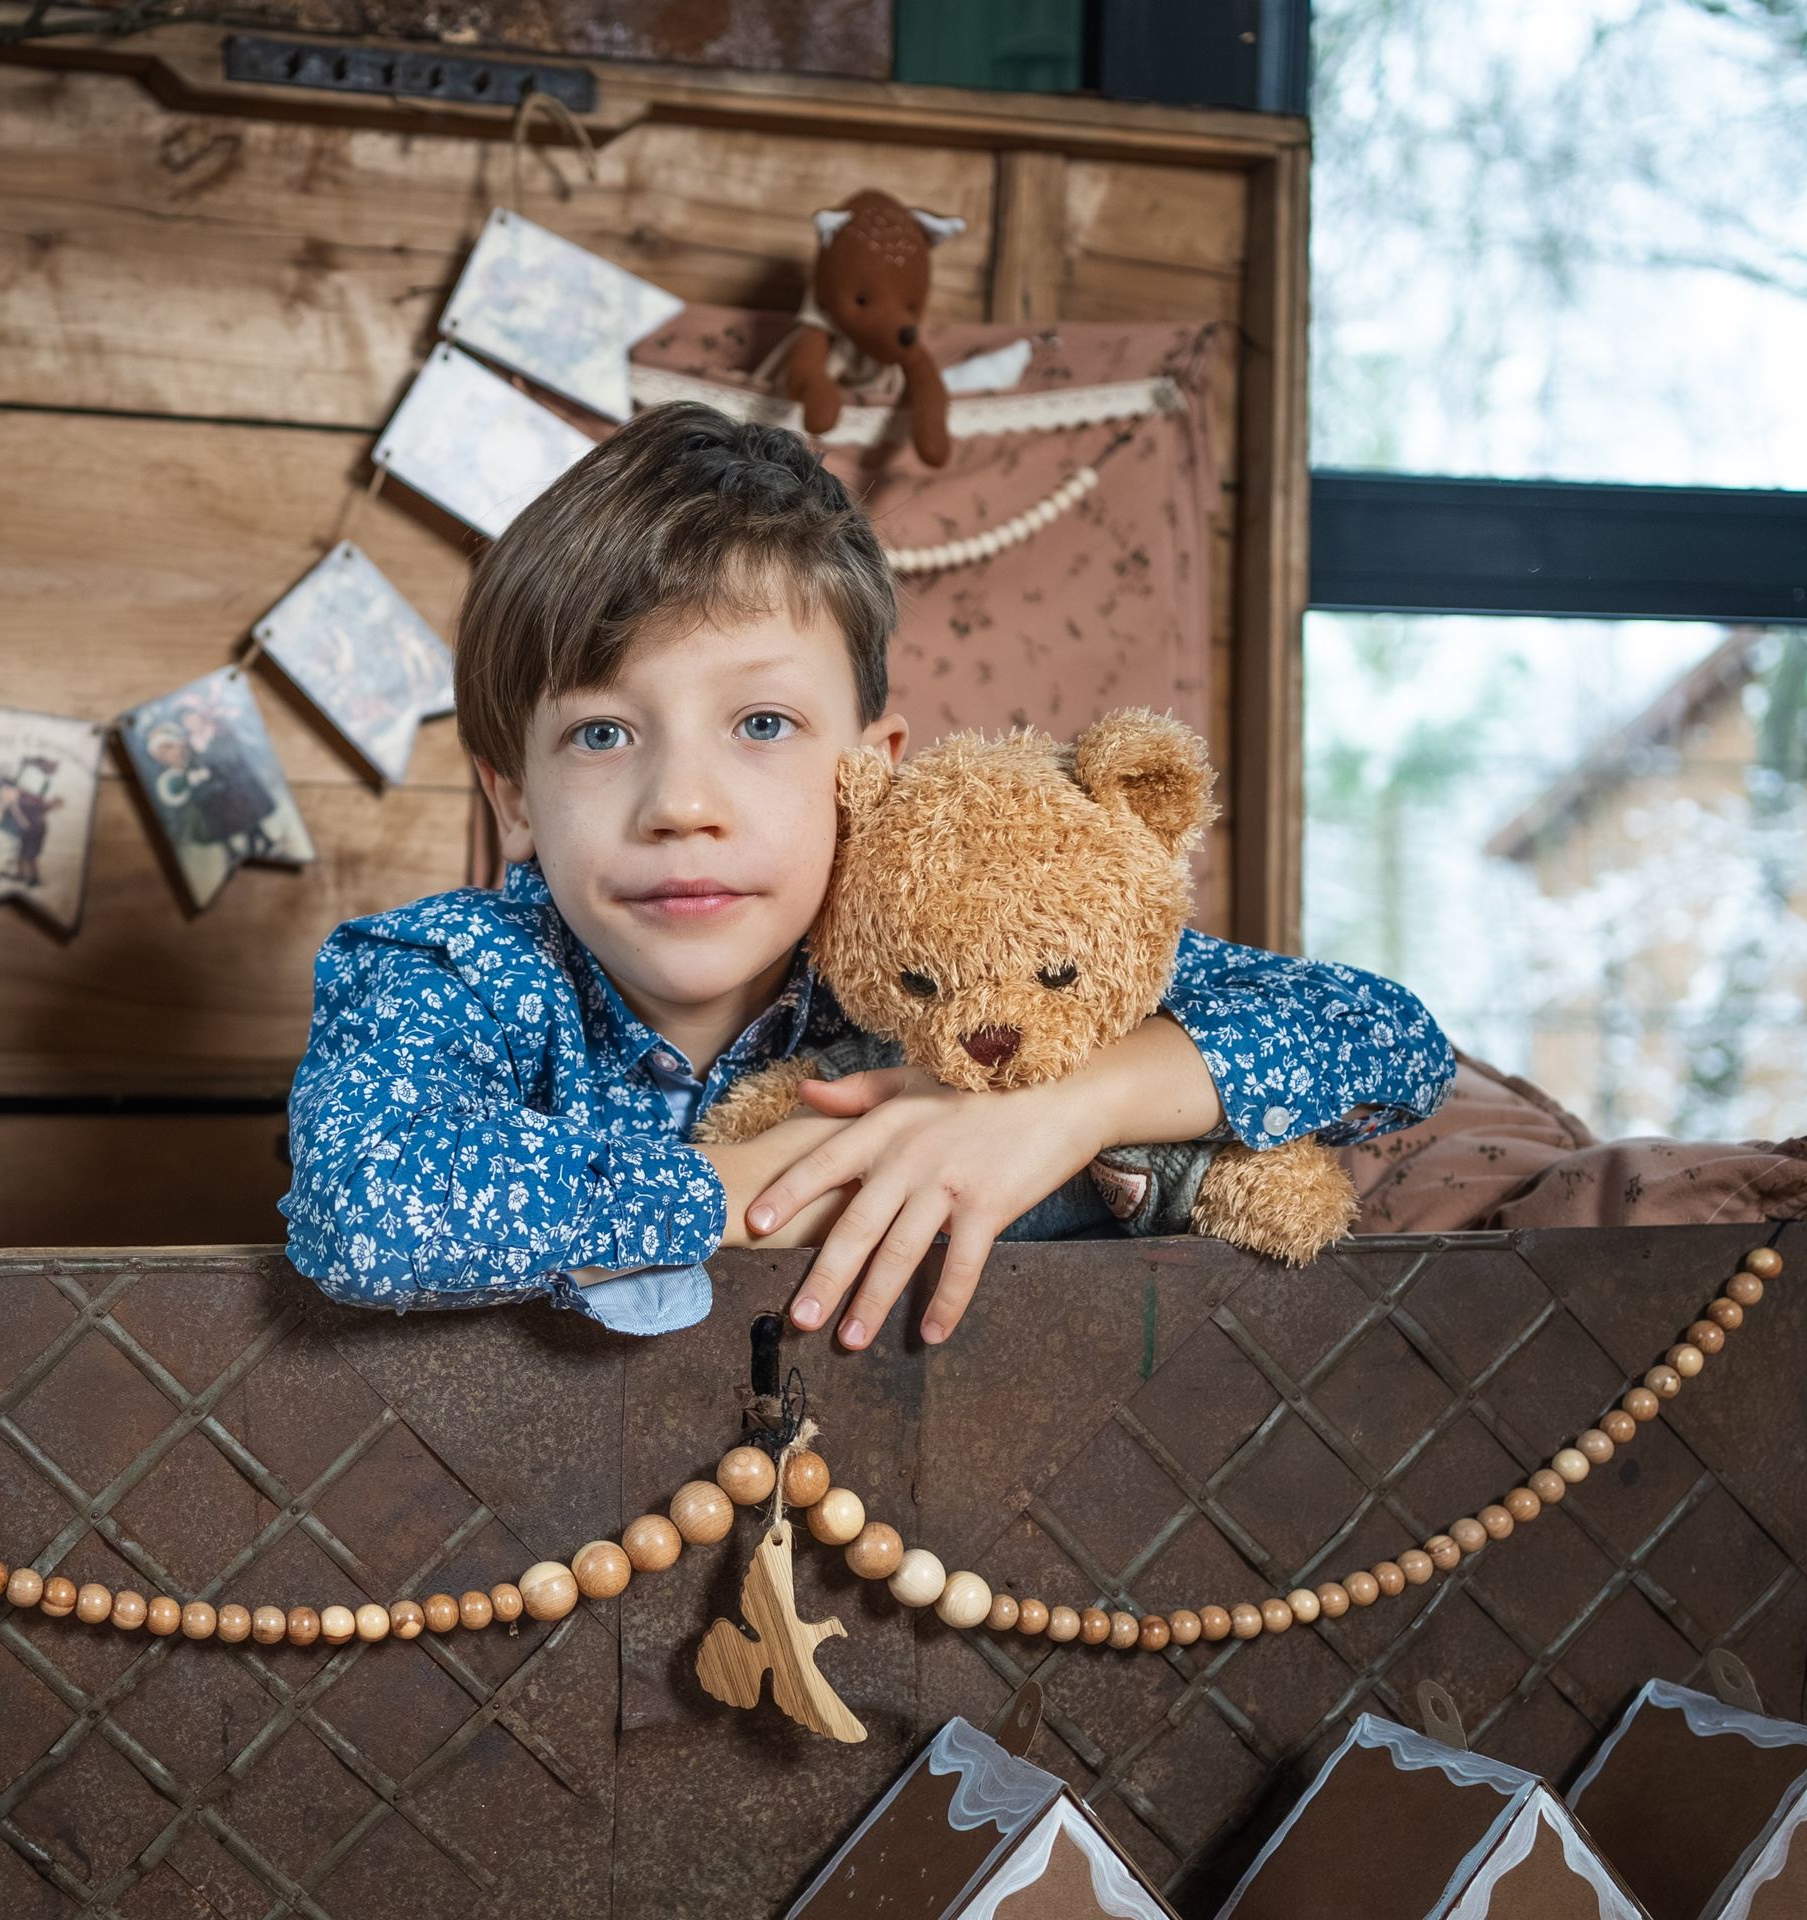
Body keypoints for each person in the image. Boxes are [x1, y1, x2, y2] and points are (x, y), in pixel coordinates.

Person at [280, 404, 1453, 1348]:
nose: (682, 806)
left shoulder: (934, 955)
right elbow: (365, 1209)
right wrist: (748, 1185)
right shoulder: (448, 971)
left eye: (762, 724)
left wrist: (1062, 1108)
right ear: (513, 798)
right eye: (601, 735)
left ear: (865, 772)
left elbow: (1388, 1041)